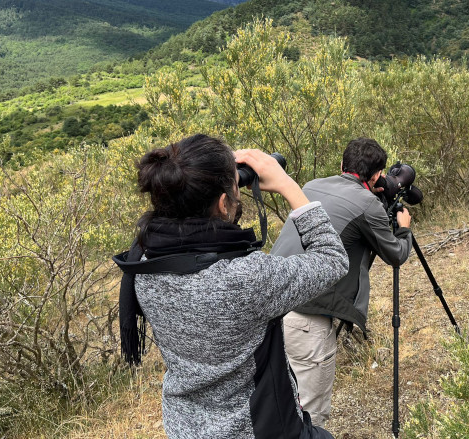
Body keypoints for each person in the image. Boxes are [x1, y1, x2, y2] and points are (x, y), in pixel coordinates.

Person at [113, 134, 349, 439]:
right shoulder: (245, 278)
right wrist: (287, 185)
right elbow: (332, 259)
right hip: (255, 427)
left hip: (184, 426)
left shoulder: (143, 261)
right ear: (224, 204)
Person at [270, 137, 413, 427]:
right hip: (307, 320)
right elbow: (395, 255)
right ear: (375, 176)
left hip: (271, 309)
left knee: (278, 405)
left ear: (341, 165)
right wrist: (405, 229)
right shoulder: (367, 204)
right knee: (310, 417)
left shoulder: (310, 186)